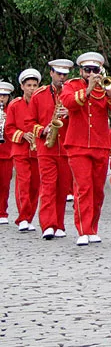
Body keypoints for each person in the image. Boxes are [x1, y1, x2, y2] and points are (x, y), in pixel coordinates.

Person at [61, 52, 111, 245]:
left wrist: (110, 91)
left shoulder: (105, 86)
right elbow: (68, 102)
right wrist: (88, 89)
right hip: (77, 144)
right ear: (81, 71)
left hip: (100, 144)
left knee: (98, 190)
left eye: (95, 70)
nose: (91, 73)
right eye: (87, 70)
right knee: (83, 187)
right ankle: (83, 229)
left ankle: (93, 228)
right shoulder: (71, 85)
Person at [29, 58, 75, 240]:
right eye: (58, 74)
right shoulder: (39, 95)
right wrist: (43, 130)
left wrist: (71, 113)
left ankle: (59, 224)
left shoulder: (71, 94)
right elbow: (29, 121)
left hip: (65, 147)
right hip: (46, 146)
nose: (62, 77)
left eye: (65, 74)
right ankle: (47, 225)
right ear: (51, 73)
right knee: (48, 186)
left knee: (63, 187)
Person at [7, 70, 40, 232]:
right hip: (20, 150)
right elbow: (9, 129)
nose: (32, 89)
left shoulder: (41, 103)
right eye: (28, 85)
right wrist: (22, 135)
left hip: (37, 151)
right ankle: (23, 217)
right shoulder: (15, 105)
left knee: (35, 185)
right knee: (23, 182)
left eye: (35, 85)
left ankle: (29, 217)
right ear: (22, 86)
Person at [0, 82, 14, 225]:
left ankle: (2, 212)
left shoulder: (12, 110)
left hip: (6, 153)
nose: (1, 99)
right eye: (0, 95)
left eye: (4, 96)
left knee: (4, 184)